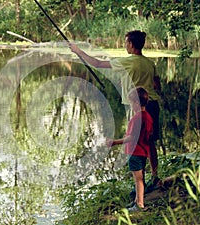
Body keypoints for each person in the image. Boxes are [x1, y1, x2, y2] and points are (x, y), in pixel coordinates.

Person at [69, 30, 160, 190]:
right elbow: (156, 85)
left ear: (131, 44)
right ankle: (154, 176)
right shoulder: (150, 63)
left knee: (136, 145)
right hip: (152, 105)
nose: (125, 45)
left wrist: (78, 51)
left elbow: (97, 64)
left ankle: (140, 185)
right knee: (149, 142)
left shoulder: (127, 62)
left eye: (126, 43)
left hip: (137, 107)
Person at [107, 87, 153, 211]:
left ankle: (139, 205)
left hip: (135, 152)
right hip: (143, 152)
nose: (131, 105)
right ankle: (136, 201)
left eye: (132, 103)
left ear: (137, 103)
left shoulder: (137, 118)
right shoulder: (148, 117)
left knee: (138, 179)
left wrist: (114, 142)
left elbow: (131, 138)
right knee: (140, 177)